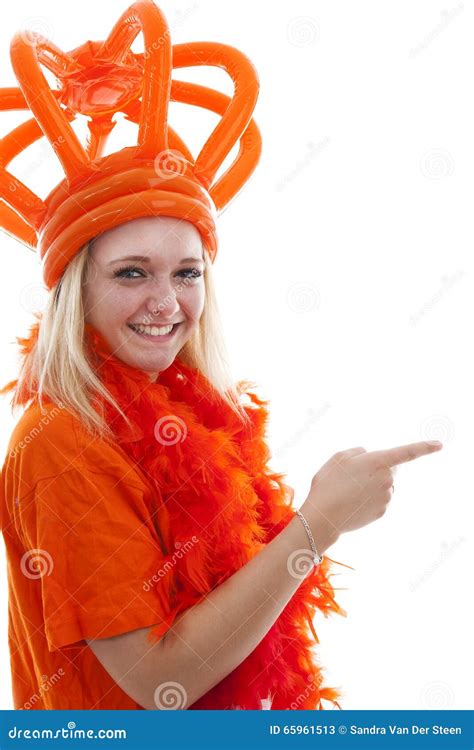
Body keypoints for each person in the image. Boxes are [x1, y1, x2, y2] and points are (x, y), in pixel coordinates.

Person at [0, 1, 443, 712]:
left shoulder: (190, 414)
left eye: (187, 272)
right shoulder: (61, 444)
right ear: (74, 294)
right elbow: (158, 683)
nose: (166, 303)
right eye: (131, 272)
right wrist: (319, 523)